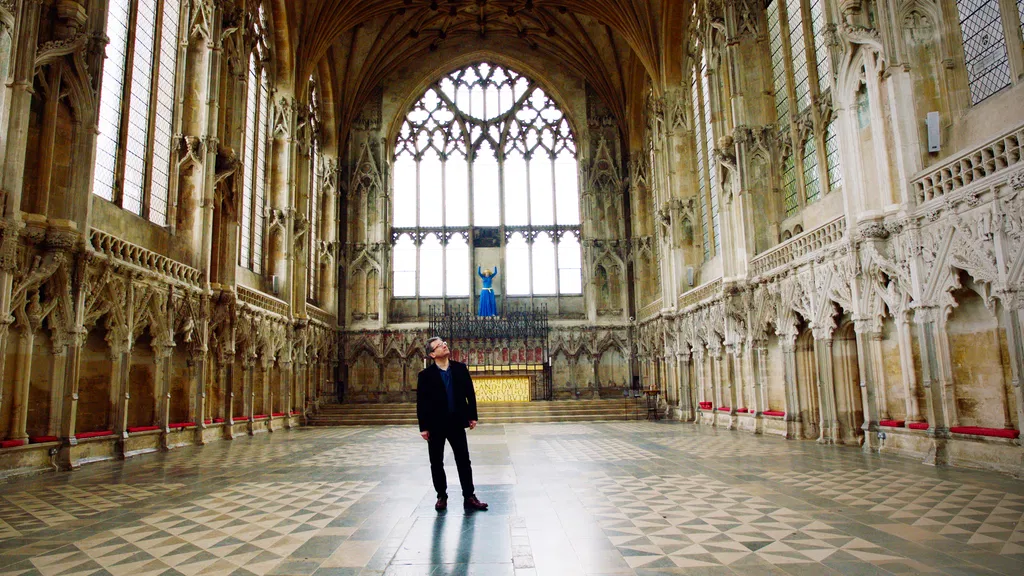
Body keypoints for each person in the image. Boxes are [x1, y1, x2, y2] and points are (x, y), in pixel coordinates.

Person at [417, 337, 489, 512]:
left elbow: (469, 394)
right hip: (435, 424)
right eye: (440, 345)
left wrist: (472, 416)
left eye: (444, 343)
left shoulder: (460, 369)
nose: (444, 345)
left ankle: (469, 496)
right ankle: (441, 496)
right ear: (432, 354)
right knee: (436, 462)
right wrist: (423, 427)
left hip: (456, 421)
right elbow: (422, 402)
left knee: (463, 460)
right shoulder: (425, 375)